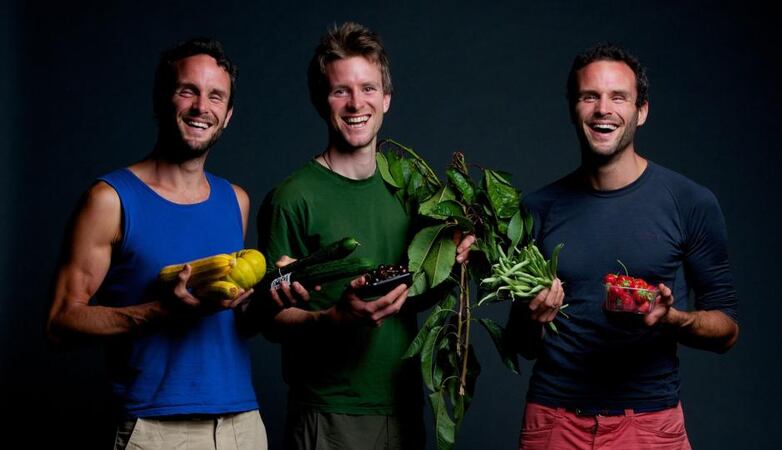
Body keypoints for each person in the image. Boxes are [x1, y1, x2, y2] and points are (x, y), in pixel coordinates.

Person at [505, 43, 739, 450]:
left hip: (649, 424)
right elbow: (520, 345)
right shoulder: (536, 209)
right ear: (573, 108)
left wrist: (674, 320)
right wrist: (533, 317)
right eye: (589, 96)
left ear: (641, 111)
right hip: (554, 422)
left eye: (619, 97)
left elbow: (727, 330)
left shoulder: (690, 202)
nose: (602, 109)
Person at [253, 22, 472, 450]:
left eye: (368, 88)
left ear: (386, 99)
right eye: (341, 91)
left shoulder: (410, 191)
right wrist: (333, 319)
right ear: (322, 100)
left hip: (403, 407)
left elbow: (413, 293)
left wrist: (454, 259)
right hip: (331, 415)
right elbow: (270, 318)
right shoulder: (292, 198)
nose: (357, 103)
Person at [46, 38, 268, 449]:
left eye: (215, 96)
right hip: (157, 428)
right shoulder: (110, 199)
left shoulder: (235, 200)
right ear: (162, 100)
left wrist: (275, 295)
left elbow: (230, 320)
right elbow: (59, 324)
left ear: (228, 115)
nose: (202, 107)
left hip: (243, 424)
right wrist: (160, 312)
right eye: (188, 91)